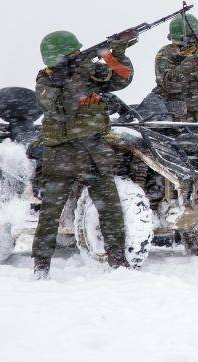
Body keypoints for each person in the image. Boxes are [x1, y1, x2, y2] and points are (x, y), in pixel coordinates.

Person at [31, 30, 135, 279]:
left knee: (110, 207)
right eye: (75, 54)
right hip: (62, 154)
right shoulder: (46, 82)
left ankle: (117, 259)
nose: (81, 56)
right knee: (50, 213)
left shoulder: (87, 72)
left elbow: (122, 78)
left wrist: (116, 53)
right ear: (58, 58)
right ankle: (41, 265)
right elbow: (59, 109)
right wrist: (79, 81)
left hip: (94, 151)